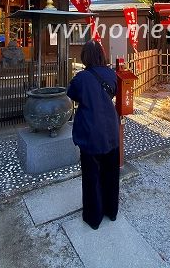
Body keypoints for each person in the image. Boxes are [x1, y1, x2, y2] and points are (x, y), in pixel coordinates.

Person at [66, 40, 119, 230]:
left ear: (85, 57)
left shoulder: (81, 78)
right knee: (111, 173)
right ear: (102, 55)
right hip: (111, 129)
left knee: (91, 176)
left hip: (90, 130)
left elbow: (72, 94)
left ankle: (94, 217)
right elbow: (113, 92)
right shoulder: (111, 74)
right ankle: (111, 211)